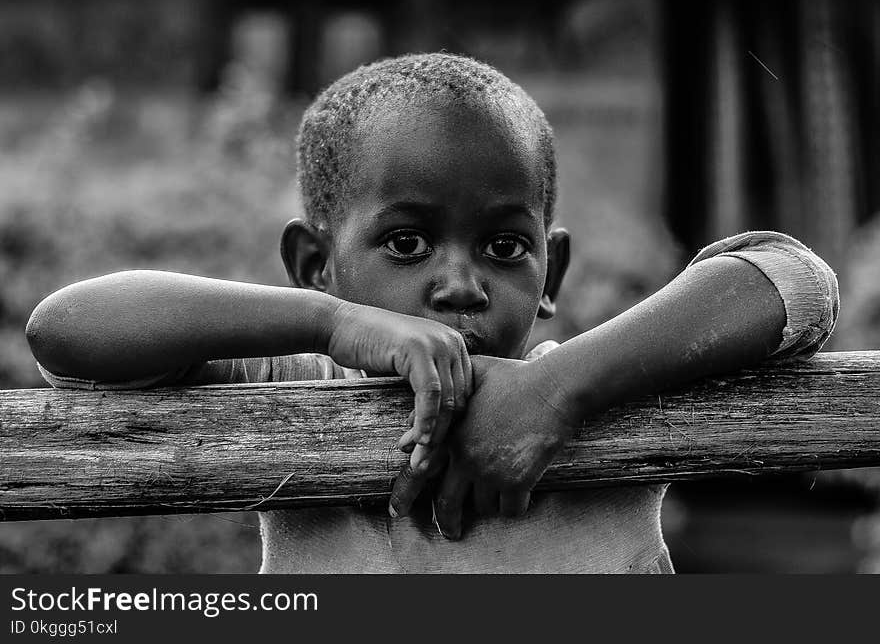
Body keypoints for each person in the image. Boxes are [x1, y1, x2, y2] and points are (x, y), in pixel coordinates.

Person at [25, 53, 839, 573]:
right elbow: (67, 330)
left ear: (551, 268)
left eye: (504, 247)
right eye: (407, 243)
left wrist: (557, 398)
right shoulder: (297, 380)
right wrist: (328, 323)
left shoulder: (602, 385)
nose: (461, 284)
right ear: (316, 264)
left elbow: (792, 280)